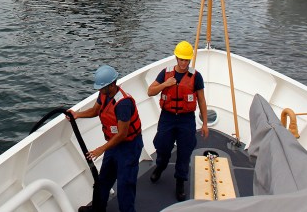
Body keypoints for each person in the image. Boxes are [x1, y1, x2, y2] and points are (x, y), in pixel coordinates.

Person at [68, 65, 143, 212]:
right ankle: (98, 208)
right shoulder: (104, 94)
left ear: (112, 85)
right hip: (113, 145)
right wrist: (77, 114)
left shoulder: (123, 104)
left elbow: (122, 134)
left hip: (128, 148)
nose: (99, 90)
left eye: (102, 87)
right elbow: (95, 110)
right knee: (103, 180)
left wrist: (101, 149)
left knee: (125, 185)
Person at [147, 41, 209, 201]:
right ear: (176, 58)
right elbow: (150, 91)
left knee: (185, 151)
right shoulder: (165, 73)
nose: (184, 63)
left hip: (186, 119)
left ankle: (180, 180)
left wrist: (205, 123)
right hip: (167, 117)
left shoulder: (196, 76)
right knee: (162, 145)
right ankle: (160, 166)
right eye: (181, 59)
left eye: (187, 60)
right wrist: (165, 84)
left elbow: (201, 100)